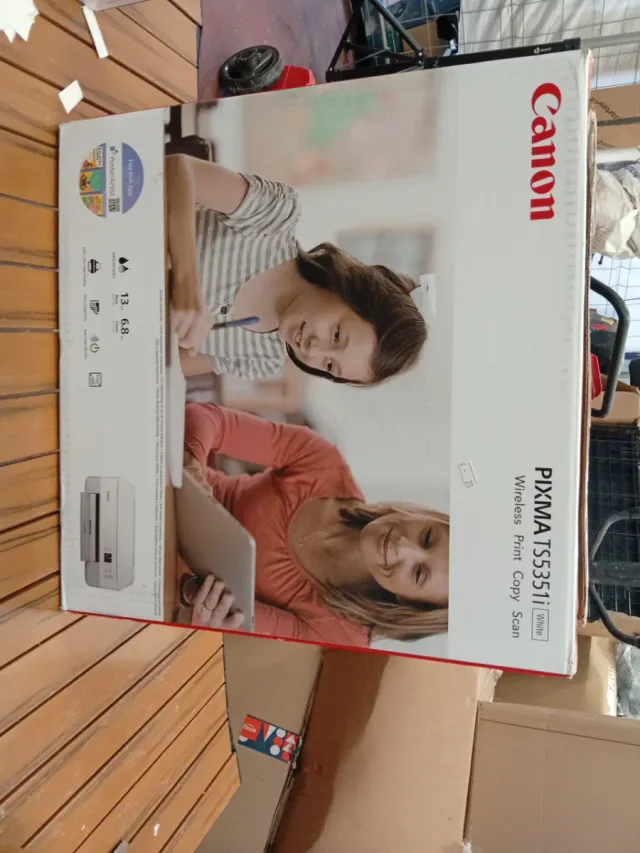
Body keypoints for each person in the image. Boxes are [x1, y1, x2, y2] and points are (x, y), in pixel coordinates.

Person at [179, 402, 450, 648]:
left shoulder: (339, 636)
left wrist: (200, 603)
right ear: (423, 515)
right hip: (168, 493)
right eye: (427, 537)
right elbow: (207, 418)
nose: (403, 547)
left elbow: (213, 611)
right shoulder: (324, 464)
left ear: (410, 602)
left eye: (418, 573)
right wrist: (193, 467)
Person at [166, 154, 428, 385]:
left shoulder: (264, 358)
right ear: (348, 287)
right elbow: (178, 169)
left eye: (329, 365)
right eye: (337, 335)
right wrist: (187, 283)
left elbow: (164, 368)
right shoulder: (275, 218)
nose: (313, 351)